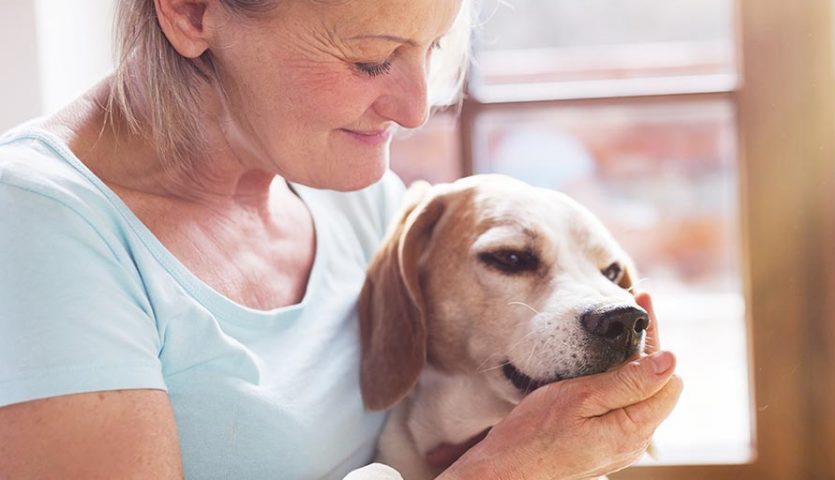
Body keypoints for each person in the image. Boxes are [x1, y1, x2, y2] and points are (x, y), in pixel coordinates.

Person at [0, 0, 683, 478]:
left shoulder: (345, 191)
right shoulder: (36, 222)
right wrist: (508, 472)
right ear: (190, 11)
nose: (415, 109)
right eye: (371, 60)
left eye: (431, 49)